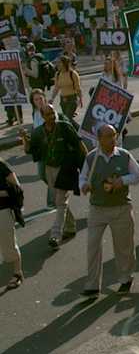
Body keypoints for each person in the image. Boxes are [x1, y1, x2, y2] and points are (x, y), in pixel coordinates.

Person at [79, 124, 139, 298]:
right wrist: (83, 185)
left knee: (124, 246)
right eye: (108, 136)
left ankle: (125, 278)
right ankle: (92, 285)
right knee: (92, 246)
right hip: (97, 209)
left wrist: (122, 181)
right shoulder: (91, 158)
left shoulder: (124, 155)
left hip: (120, 207)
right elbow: (83, 177)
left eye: (114, 135)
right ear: (99, 139)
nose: (112, 139)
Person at [21, 104, 83, 249]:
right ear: (43, 116)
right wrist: (24, 139)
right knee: (59, 201)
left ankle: (55, 235)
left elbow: (79, 145)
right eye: (48, 114)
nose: (52, 116)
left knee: (60, 202)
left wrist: (85, 166)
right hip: (50, 169)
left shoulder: (65, 127)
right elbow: (29, 150)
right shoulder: (38, 132)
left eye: (53, 113)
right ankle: (70, 226)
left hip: (65, 169)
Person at [0, 157, 24, 289]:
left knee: (8, 243)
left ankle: (17, 273)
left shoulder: (1, 165)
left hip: (3, 210)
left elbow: (17, 188)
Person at [50, 55, 82, 120]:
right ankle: (77, 129)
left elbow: (78, 88)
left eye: (59, 62)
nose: (57, 64)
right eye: (57, 63)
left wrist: (80, 99)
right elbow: (56, 88)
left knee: (67, 118)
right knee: (67, 118)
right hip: (63, 99)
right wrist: (52, 98)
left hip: (72, 98)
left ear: (65, 64)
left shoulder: (73, 74)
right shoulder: (57, 74)